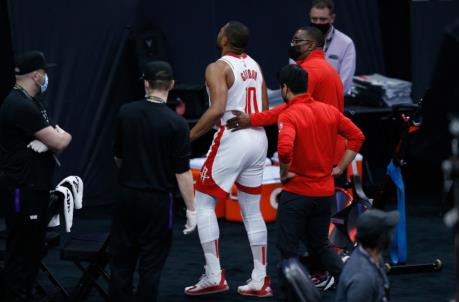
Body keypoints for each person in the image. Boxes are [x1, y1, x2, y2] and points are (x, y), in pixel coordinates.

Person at [184, 21, 272, 297]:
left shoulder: (217, 66)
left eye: (221, 29)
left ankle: (214, 276)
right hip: (258, 136)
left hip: (234, 137)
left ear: (224, 38)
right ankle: (260, 279)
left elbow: (218, 108)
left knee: (202, 201)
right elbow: (266, 107)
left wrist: (187, 137)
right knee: (252, 208)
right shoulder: (255, 64)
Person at [109, 61, 196, 302]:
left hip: (127, 195)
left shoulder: (126, 112)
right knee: (151, 263)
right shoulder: (176, 123)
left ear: (145, 83)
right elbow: (182, 172)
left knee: (121, 261)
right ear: (172, 85)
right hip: (157, 200)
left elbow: (118, 156)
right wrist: (191, 209)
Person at [273, 64, 365, 293]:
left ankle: (296, 294)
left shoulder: (289, 114)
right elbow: (357, 136)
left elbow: (284, 150)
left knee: (287, 248)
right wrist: (340, 167)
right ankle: (352, 286)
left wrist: (284, 173)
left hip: (297, 193)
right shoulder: (328, 111)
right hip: (324, 192)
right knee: (321, 246)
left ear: (284, 88)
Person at [0, 50, 72, 301]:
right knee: (21, 250)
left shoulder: (33, 102)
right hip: (23, 187)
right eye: (45, 72)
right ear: (37, 75)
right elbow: (60, 141)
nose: (47, 77)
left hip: (36, 186)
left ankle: (25, 293)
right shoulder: (19, 104)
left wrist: (56, 138)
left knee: (32, 248)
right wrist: (55, 139)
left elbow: (62, 137)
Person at [228, 26, 345, 164]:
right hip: (331, 150)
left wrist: (252, 119)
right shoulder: (328, 69)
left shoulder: (310, 70)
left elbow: (292, 109)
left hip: (318, 154)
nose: (292, 45)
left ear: (311, 45)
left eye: (296, 41)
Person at [336, 209, 399, 302]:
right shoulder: (363, 279)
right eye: (389, 231)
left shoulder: (375, 257)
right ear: (381, 238)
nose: (392, 234)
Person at [309, 0, 356, 93]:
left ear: (332, 18)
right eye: (314, 19)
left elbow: (344, 84)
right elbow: (293, 78)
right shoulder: (300, 41)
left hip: (331, 102)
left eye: (322, 19)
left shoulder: (346, 43)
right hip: (305, 102)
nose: (318, 23)